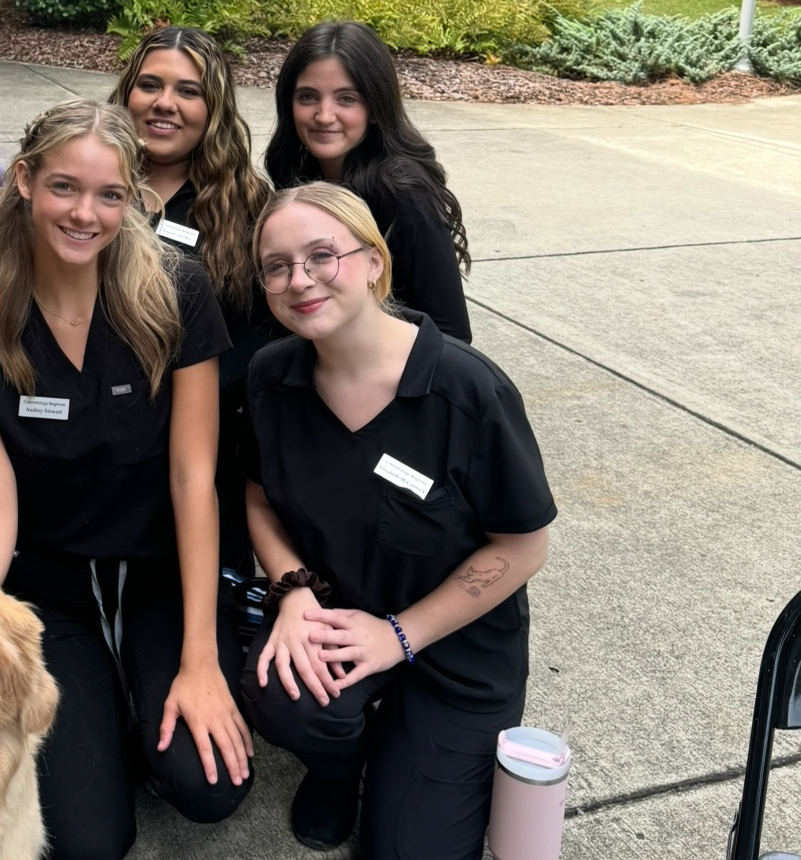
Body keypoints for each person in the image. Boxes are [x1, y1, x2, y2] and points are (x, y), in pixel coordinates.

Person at [0, 99, 252, 859]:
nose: (85, 213)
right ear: (24, 181)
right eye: (64, 188)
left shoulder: (176, 292)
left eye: (110, 195)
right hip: (50, 590)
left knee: (207, 787)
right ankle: (107, 711)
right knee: (90, 844)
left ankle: (147, 701)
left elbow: (194, 479)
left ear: (133, 199)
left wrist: (201, 661)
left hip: (157, 574)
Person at [239, 182, 556, 859]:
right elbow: (258, 496)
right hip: (339, 617)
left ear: (375, 261)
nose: (300, 280)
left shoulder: (469, 391)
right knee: (284, 699)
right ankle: (337, 765)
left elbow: (525, 546)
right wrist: (292, 591)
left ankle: (399, 749)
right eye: (277, 266)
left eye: (323, 255)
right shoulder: (271, 377)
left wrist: (401, 637)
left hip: (458, 650)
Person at [109, 25, 281, 582]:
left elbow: (269, 333)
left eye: (188, 91)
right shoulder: (86, 183)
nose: (165, 104)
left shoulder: (250, 208)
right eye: (150, 85)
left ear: (215, 108)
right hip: (90, 443)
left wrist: (189, 389)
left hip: (206, 456)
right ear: (126, 93)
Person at [266, 21, 473, 343]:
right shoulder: (297, 176)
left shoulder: (403, 194)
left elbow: (451, 333)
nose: (323, 115)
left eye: (346, 99)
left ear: (375, 108)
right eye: (307, 97)